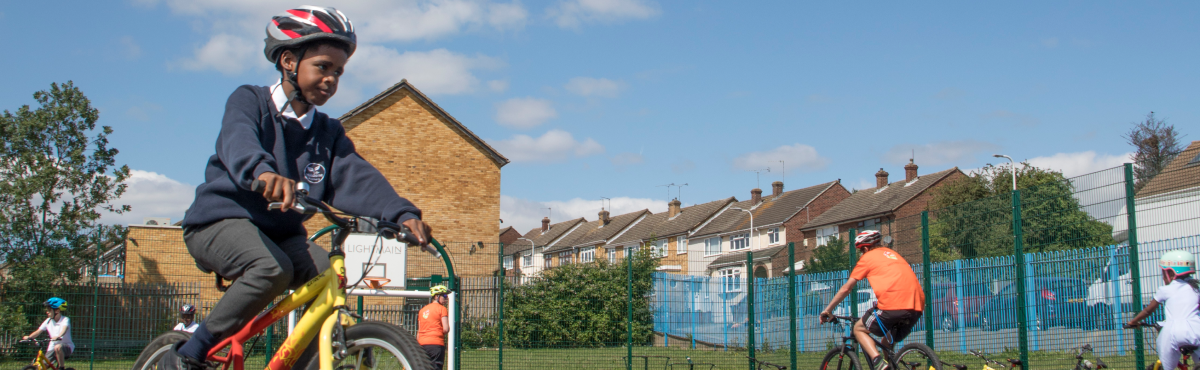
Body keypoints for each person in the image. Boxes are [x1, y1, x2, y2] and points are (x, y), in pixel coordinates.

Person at [172, 6, 433, 370]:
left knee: (328, 274)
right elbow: (239, 140)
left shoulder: (327, 132)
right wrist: (262, 173)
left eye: (338, 72)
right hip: (220, 223)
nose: (331, 79)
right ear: (289, 61)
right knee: (271, 269)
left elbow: (355, 177)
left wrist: (401, 213)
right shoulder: (251, 101)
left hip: (280, 234)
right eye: (323, 67)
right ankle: (192, 351)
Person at [819, 231, 924, 370]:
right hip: (916, 306)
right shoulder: (893, 254)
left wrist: (828, 310)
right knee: (886, 342)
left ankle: (878, 362)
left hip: (892, 304)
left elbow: (846, 288)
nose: (861, 254)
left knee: (859, 328)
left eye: (861, 250)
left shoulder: (867, 258)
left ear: (866, 248)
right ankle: (891, 367)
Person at [1127, 250, 1200, 370]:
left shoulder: (1166, 289)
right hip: (1196, 330)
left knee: (1167, 364)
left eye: (1163, 272)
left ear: (1171, 273)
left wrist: (1133, 321)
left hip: (1172, 332)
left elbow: (1148, 311)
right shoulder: (1196, 287)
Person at [22, 297, 74, 368]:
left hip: (66, 347)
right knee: (42, 367)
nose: (47, 312)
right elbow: (38, 331)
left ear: (57, 311)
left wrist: (58, 336)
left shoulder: (65, 320)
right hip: (52, 348)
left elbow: (64, 329)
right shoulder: (48, 321)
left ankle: (61, 367)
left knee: (57, 347)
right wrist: (29, 337)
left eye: (49, 310)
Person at [418, 285, 451, 369]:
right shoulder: (442, 309)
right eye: (444, 296)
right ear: (436, 296)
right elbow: (445, 329)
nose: (446, 298)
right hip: (436, 344)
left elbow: (419, 330)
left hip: (422, 344)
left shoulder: (422, 310)